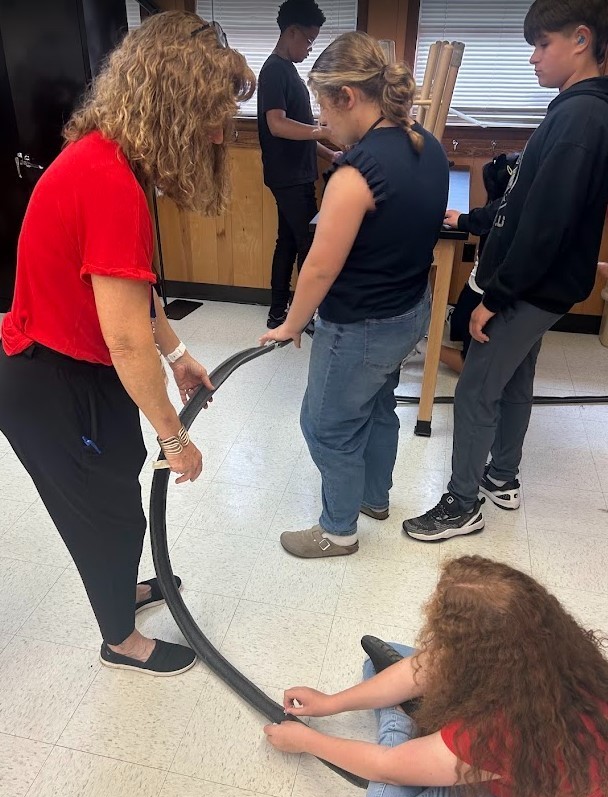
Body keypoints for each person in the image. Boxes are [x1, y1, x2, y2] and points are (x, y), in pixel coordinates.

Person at [0, 12, 255, 675]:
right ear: (172, 102)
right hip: (51, 379)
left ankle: (122, 587)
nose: (218, 132)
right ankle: (121, 639)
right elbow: (124, 340)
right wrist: (175, 436)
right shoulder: (108, 181)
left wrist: (178, 354)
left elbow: (135, 299)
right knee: (104, 515)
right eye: (210, 114)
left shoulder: (112, 160)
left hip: (78, 368)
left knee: (117, 492)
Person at [403, 0, 608, 542]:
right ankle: (501, 476)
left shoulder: (582, 117)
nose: (534, 59)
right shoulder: (574, 108)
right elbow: (524, 201)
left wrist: (496, 293)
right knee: (515, 376)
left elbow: (547, 222)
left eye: (543, 45)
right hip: (545, 285)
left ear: (582, 40)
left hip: (531, 287)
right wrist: (477, 223)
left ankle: (462, 503)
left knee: (474, 390)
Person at [263, 555, 608, 797]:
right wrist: (330, 703)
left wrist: (307, 741)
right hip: (512, 761)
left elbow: (388, 768)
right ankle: (422, 743)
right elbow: (426, 665)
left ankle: (406, 726)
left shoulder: (505, 729)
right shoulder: (559, 654)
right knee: (384, 663)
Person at [260, 31, 448, 558]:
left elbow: (318, 268)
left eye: (323, 106)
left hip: (361, 325)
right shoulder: (426, 145)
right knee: (379, 406)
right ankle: (373, 498)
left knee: (326, 424)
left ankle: (338, 530)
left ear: (348, 97)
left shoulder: (354, 174)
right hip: (409, 311)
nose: (322, 121)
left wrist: (291, 324)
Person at [258, 0, 340, 329]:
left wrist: (329, 153)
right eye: (308, 40)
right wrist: (322, 130)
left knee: (289, 241)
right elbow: (277, 125)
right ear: (291, 32)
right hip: (289, 177)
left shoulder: (288, 70)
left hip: (297, 173)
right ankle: (301, 315)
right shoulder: (274, 70)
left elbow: (300, 131)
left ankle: (278, 311)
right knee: (309, 242)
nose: (309, 48)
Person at [439, 153, 520, 375]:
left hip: (492, 285)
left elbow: (469, 366)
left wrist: (426, 349)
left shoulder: (512, 208)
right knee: (459, 322)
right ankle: (452, 323)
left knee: (472, 364)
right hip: (481, 279)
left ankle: (422, 347)